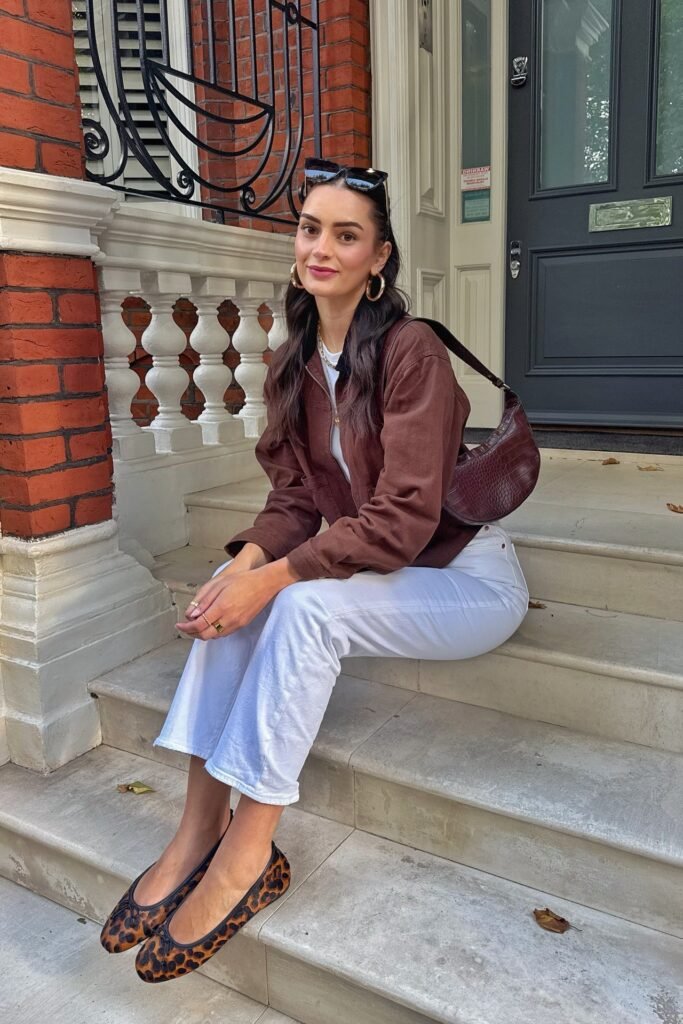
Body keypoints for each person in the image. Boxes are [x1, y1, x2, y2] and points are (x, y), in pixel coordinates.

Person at [100, 158, 529, 983]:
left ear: (379, 258)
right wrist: (251, 564)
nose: (321, 247)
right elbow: (295, 496)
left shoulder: (410, 355)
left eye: (346, 235)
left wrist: (278, 578)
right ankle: (197, 828)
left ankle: (248, 856)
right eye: (309, 229)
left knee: (299, 607)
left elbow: (402, 522)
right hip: (385, 570)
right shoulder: (296, 360)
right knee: (243, 594)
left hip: (465, 577)